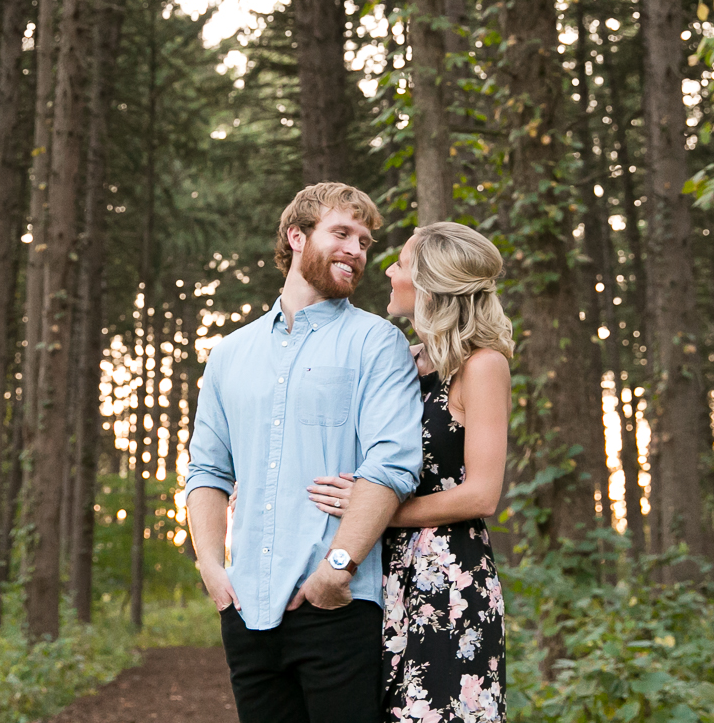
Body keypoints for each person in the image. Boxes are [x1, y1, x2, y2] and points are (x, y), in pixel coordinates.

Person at [184, 182, 424, 723]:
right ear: (297, 236)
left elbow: (391, 463)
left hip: (337, 606)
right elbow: (206, 470)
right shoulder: (229, 354)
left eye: (364, 242)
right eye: (341, 233)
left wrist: (337, 569)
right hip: (246, 612)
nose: (356, 251)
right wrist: (209, 567)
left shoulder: (377, 342)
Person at [307, 221, 512, 723]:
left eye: (400, 262)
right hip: (378, 575)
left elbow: (482, 495)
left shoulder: (482, 365)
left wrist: (375, 513)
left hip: (448, 581)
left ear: (428, 281)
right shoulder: (400, 360)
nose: (388, 269)